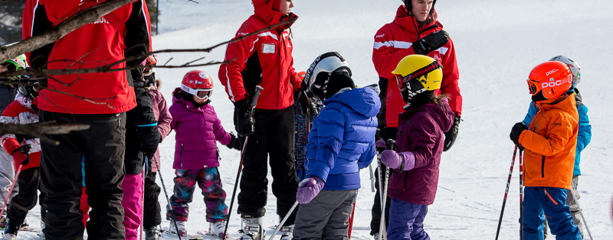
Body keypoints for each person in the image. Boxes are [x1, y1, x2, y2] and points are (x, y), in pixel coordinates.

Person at [25, 0, 152, 239]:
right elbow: (140, 50)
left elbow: (34, 50)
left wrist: (49, 85)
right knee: (108, 193)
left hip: (59, 104)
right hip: (108, 104)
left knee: (61, 193)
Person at [370, 0, 461, 237]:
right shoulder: (386, 33)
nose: (426, 7)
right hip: (393, 121)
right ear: (408, 2)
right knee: (388, 186)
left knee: (416, 185)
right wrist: (416, 49)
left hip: (425, 123)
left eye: (430, 1)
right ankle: (381, 232)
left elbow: (451, 81)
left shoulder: (443, 39)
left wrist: (456, 117)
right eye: (420, 1)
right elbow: (382, 66)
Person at [218, 0, 301, 239]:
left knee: (286, 167)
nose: (292, 3)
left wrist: (299, 86)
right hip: (256, 110)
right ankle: (252, 223)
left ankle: (289, 223)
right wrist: (241, 103)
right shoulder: (252, 29)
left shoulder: (283, 30)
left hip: (283, 110)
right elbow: (230, 67)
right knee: (254, 167)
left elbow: (287, 69)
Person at [292, 52, 379, 240]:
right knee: (336, 233)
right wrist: (347, 168)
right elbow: (367, 156)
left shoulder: (332, 111)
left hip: (325, 184)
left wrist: (317, 178)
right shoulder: (367, 113)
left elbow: (328, 147)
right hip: (350, 186)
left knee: (307, 232)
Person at [376, 55, 453, 240]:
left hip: (410, 188)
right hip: (414, 186)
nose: (399, 87)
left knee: (398, 233)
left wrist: (400, 160)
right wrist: (390, 146)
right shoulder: (420, 113)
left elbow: (425, 154)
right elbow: (411, 144)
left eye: (402, 81)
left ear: (420, 84)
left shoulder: (424, 117)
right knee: (415, 231)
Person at [509, 61, 582, 240]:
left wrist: (524, 136)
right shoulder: (544, 111)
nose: (531, 93)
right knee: (530, 222)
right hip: (535, 178)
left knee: (559, 222)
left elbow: (552, 146)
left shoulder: (562, 116)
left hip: (551, 181)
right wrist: (522, 133)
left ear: (551, 88)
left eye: (534, 87)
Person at [166, 70, 241, 239]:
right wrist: (154, 137)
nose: (206, 97)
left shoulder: (209, 110)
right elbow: (166, 126)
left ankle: (217, 223)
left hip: (209, 163)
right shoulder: (177, 109)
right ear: (189, 91)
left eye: (209, 93)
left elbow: (219, 132)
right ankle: (177, 222)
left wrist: (234, 142)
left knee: (215, 192)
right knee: (181, 194)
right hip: (186, 163)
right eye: (202, 93)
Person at [121, 60, 161, 240]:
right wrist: (150, 147)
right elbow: (149, 128)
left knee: (105, 207)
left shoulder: (104, 87)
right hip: (131, 160)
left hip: (102, 159)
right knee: (130, 210)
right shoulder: (138, 91)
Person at [0, 80, 44, 240]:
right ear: (26, 88)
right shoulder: (16, 107)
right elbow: (5, 133)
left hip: (51, 157)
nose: (40, 90)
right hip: (28, 159)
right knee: (28, 197)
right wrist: (16, 150)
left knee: (52, 194)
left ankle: (49, 225)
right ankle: (12, 224)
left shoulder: (48, 104)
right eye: (37, 87)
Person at [142, 57, 173, 240]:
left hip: (150, 154)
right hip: (127, 152)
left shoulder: (156, 95)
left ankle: (152, 226)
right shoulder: (127, 91)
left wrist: (158, 135)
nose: (145, 74)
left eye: (148, 70)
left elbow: (166, 119)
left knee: (150, 190)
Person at [0, 55, 28, 222]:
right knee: (6, 174)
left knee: (19, 176)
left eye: (5, 66)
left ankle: (15, 213)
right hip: (4, 134)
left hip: (21, 135)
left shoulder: (22, 87)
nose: (2, 70)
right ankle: (2, 212)